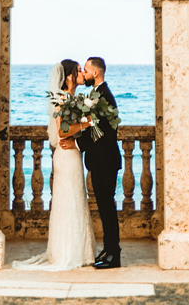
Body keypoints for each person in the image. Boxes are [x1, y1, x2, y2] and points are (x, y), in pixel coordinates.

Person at [10, 59, 94, 271]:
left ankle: (80, 250)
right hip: (66, 156)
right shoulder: (61, 98)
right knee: (67, 201)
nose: (81, 74)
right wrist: (86, 122)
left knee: (76, 200)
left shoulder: (73, 98)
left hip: (73, 154)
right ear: (69, 76)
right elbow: (63, 131)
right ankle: (66, 252)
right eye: (77, 71)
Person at [73, 56, 122, 269]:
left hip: (106, 162)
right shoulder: (97, 94)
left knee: (107, 208)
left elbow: (102, 134)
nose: (83, 74)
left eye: (85, 70)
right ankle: (108, 249)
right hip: (101, 162)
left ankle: (114, 254)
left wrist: (77, 143)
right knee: (103, 207)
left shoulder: (104, 96)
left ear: (96, 73)